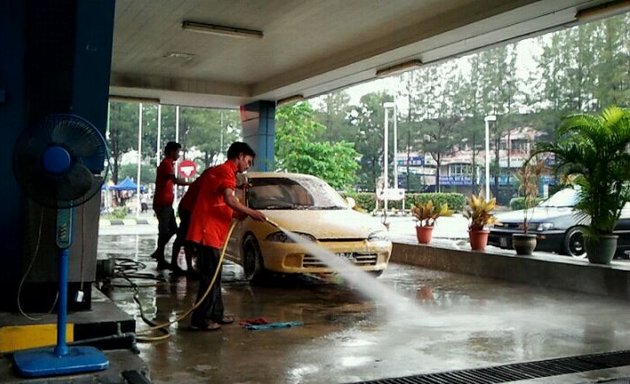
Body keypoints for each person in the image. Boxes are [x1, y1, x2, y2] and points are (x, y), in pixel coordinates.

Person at [187, 142, 266, 331]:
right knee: (210, 278)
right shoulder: (225, 171)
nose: (248, 165)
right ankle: (201, 320)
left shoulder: (225, 173)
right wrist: (251, 212)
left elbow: (220, 204)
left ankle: (217, 314)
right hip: (207, 233)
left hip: (212, 233)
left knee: (215, 276)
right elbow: (230, 200)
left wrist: (237, 214)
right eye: (248, 161)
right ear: (239, 156)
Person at [150, 141, 191, 270]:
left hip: (166, 204)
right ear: (172, 151)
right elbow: (176, 180)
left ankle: (159, 252)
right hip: (162, 204)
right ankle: (160, 256)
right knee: (163, 231)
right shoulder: (166, 165)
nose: (178, 155)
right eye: (178, 152)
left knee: (173, 229)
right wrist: (192, 183)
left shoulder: (168, 164)